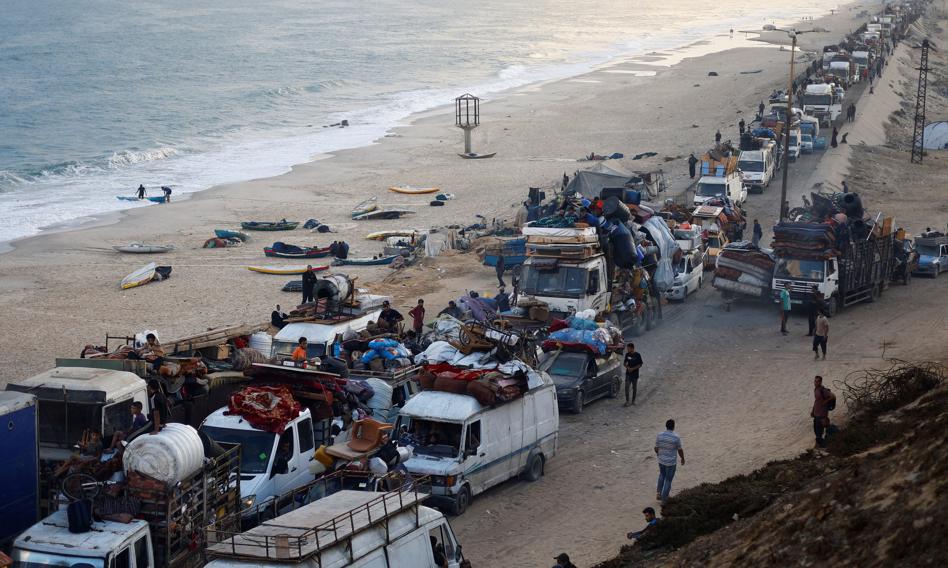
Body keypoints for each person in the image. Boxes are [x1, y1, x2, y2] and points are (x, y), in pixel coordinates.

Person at [654, 419, 684, 503]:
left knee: (661, 475)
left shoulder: (659, 435)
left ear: (666, 426)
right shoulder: (676, 437)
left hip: (661, 461)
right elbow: (680, 450)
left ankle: (659, 493)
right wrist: (682, 458)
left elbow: (656, 448)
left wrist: (658, 453)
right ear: (673, 427)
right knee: (668, 480)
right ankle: (664, 500)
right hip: (671, 463)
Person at [811, 375, 836, 447]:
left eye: (817, 381)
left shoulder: (823, 390)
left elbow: (832, 396)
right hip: (816, 413)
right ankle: (821, 443)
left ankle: (823, 444)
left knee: (821, 429)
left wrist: (825, 402)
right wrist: (813, 411)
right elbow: (816, 401)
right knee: (817, 429)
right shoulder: (816, 389)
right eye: (815, 381)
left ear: (820, 382)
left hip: (822, 413)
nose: (815, 383)